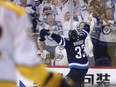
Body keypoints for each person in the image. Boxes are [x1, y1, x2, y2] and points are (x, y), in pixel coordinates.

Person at [0, 1, 74, 87]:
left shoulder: (13, 13)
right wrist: (55, 82)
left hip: (55, 46)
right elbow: (26, 63)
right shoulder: (13, 13)